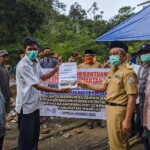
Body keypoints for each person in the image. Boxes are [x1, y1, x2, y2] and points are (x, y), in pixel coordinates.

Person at [78, 41, 138, 150]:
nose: (112, 56)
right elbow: (102, 88)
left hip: (119, 111)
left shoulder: (128, 72)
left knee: (118, 144)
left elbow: (132, 97)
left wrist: (127, 120)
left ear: (124, 56)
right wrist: (86, 84)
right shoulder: (112, 70)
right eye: (110, 54)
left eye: (115, 54)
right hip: (110, 109)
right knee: (116, 141)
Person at [15, 36, 70, 150]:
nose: (32, 51)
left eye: (34, 49)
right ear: (25, 50)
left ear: (38, 49)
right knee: (25, 140)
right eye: (29, 49)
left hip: (35, 105)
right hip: (26, 107)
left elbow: (43, 77)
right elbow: (37, 85)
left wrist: (56, 69)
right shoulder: (23, 65)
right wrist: (58, 91)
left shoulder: (35, 62)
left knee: (34, 136)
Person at [78, 49, 103, 129]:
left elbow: (105, 72)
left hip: (96, 88)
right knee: (88, 105)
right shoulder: (81, 65)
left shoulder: (98, 64)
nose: (88, 57)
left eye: (89, 56)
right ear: (84, 57)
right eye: (86, 56)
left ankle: (99, 121)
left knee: (97, 104)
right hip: (86, 89)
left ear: (93, 56)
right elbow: (73, 72)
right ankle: (89, 121)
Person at [136, 44, 150, 149]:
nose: (144, 55)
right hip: (141, 102)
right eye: (142, 53)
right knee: (144, 125)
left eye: (146, 52)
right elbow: (138, 83)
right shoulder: (141, 67)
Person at [126, 53, 143, 139]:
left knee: (139, 115)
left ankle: (139, 131)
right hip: (127, 97)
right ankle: (131, 131)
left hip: (138, 95)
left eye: (127, 56)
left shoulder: (138, 67)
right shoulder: (120, 69)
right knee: (130, 115)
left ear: (129, 57)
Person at [0, 50, 11, 150]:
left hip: (6, 94)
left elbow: (7, 81)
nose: (5, 59)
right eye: (3, 57)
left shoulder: (5, 68)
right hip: (1, 96)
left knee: (5, 112)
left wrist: (9, 92)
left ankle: (4, 124)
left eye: (6, 57)